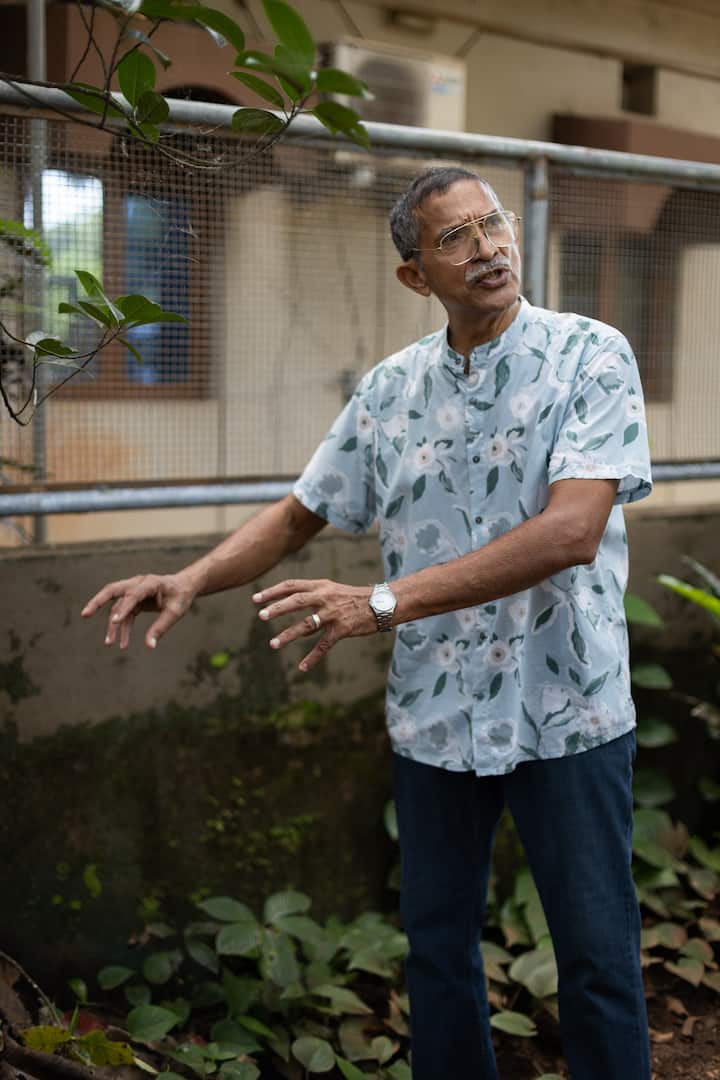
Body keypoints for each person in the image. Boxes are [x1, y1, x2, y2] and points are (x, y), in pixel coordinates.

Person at [82, 166, 653, 1080]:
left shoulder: (590, 354)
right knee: (436, 953)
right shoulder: (391, 390)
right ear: (415, 275)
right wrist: (191, 578)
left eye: (494, 223)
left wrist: (381, 602)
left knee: (594, 959)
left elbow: (572, 531)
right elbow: (303, 511)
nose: (489, 247)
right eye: (456, 237)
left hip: (567, 706)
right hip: (437, 715)